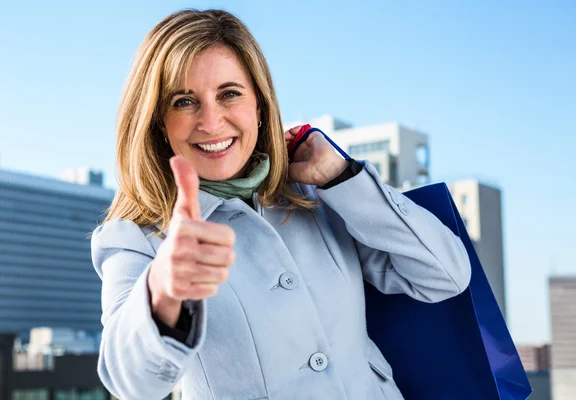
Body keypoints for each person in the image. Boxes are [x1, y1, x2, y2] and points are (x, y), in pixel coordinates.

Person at [91, 9, 471, 400]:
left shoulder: (314, 197)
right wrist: (164, 290)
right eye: (184, 101)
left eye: (230, 94)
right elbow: (131, 383)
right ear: (157, 122)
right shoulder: (136, 236)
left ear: (260, 105)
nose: (211, 121)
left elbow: (445, 274)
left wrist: (342, 177)